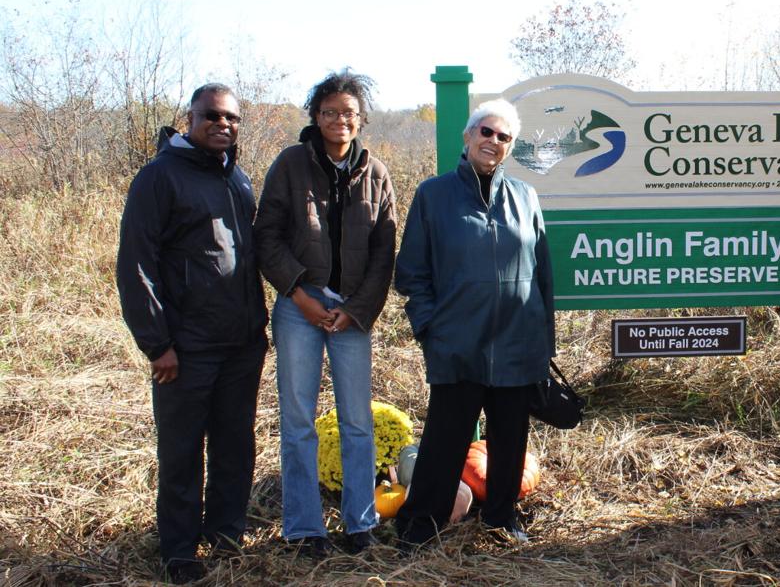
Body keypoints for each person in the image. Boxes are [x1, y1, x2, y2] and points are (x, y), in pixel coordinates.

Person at [116, 84, 268, 584]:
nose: (223, 125)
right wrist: (157, 343)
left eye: (232, 119)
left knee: (234, 444)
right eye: (213, 116)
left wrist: (259, 329)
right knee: (182, 451)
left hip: (241, 344)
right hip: (186, 348)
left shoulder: (238, 179)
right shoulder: (159, 178)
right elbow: (136, 264)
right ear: (190, 118)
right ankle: (179, 550)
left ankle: (225, 532)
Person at [393, 99, 554, 547]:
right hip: (457, 344)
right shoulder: (434, 195)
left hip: (517, 343)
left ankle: (502, 519)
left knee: (509, 442)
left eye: (504, 137)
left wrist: (544, 343)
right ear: (468, 137)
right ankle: (419, 525)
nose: (494, 142)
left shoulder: (526, 197)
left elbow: (543, 273)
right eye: (486, 132)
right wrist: (430, 328)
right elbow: (411, 272)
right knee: (444, 443)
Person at [254, 70, 396, 555]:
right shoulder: (291, 164)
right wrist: (300, 295)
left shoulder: (376, 173)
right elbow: (265, 237)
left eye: (349, 113)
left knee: (357, 420)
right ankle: (304, 528)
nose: (341, 120)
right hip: (300, 306)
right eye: (331, 112)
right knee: (298, 421)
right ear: (316, 116)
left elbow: (383, 253)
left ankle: (360, 523)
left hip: (352, 313)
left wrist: (356, 311)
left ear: (361, 121)